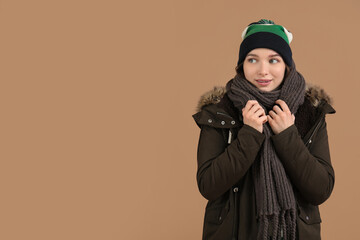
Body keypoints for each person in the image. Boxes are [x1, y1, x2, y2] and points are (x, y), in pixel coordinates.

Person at [192, 19, 335, 240]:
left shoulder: (310, 112)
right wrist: (248, 134)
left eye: (273, 60)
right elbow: (209, 186)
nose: (263, 70)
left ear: (287, 65)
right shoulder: (220, 112)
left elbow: (320, 189)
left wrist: (288, 136)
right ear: (241, 65)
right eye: (252, 60)